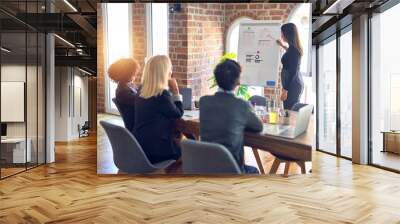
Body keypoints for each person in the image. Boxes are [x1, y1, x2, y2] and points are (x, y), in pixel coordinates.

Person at [199, 59, 263, 174]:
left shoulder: (203, 102)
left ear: (216, 79)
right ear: (238, 81)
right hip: (232, 170)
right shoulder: (241, 105)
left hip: (206, 168)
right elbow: (258, 127)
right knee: (254, 171)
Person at [134, 55, 184, 164]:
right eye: (170, 68)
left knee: (180, 140)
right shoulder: (161, 94)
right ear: (164, 72)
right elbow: (178, 114)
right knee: (189, 149)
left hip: (140, 147)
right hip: (157, 151)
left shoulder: (141, 90)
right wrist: (176, 91)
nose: (171, 71)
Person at [108, 58, 141, 133]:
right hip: (136, 127)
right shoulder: (123, 91)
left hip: (138, 121)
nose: (135, 74)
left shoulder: (129, 85)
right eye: (134, 72)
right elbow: (140, 101)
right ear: (128, 73)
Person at [276, 23, 304, 110]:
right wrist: (282, 46)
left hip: (292, 85)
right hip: (293, 83)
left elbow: (293, 72)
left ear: (288, 34)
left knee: (289, 111)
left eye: (282, 33)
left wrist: (285, 90)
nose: (281, 35)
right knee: (290, 110)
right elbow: (290, 54)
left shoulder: (294, 51)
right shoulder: (293, 49)